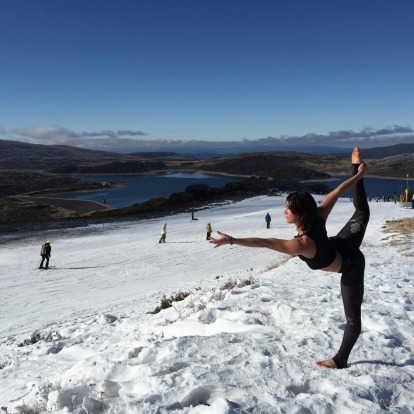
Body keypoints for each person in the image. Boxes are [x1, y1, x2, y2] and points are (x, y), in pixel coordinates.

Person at [210, 147, 369, 369]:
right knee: (362, 211)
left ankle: (340, 360)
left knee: (352, 318)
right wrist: (357, 173)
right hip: (341, 244)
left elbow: (265, 242)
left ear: (301, 213)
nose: (284, 211)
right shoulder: (318, 214)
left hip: (351, 264)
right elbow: (338, 191)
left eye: (289, 209)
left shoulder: (301, 244)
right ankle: (358, 164)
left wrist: (233, 240)